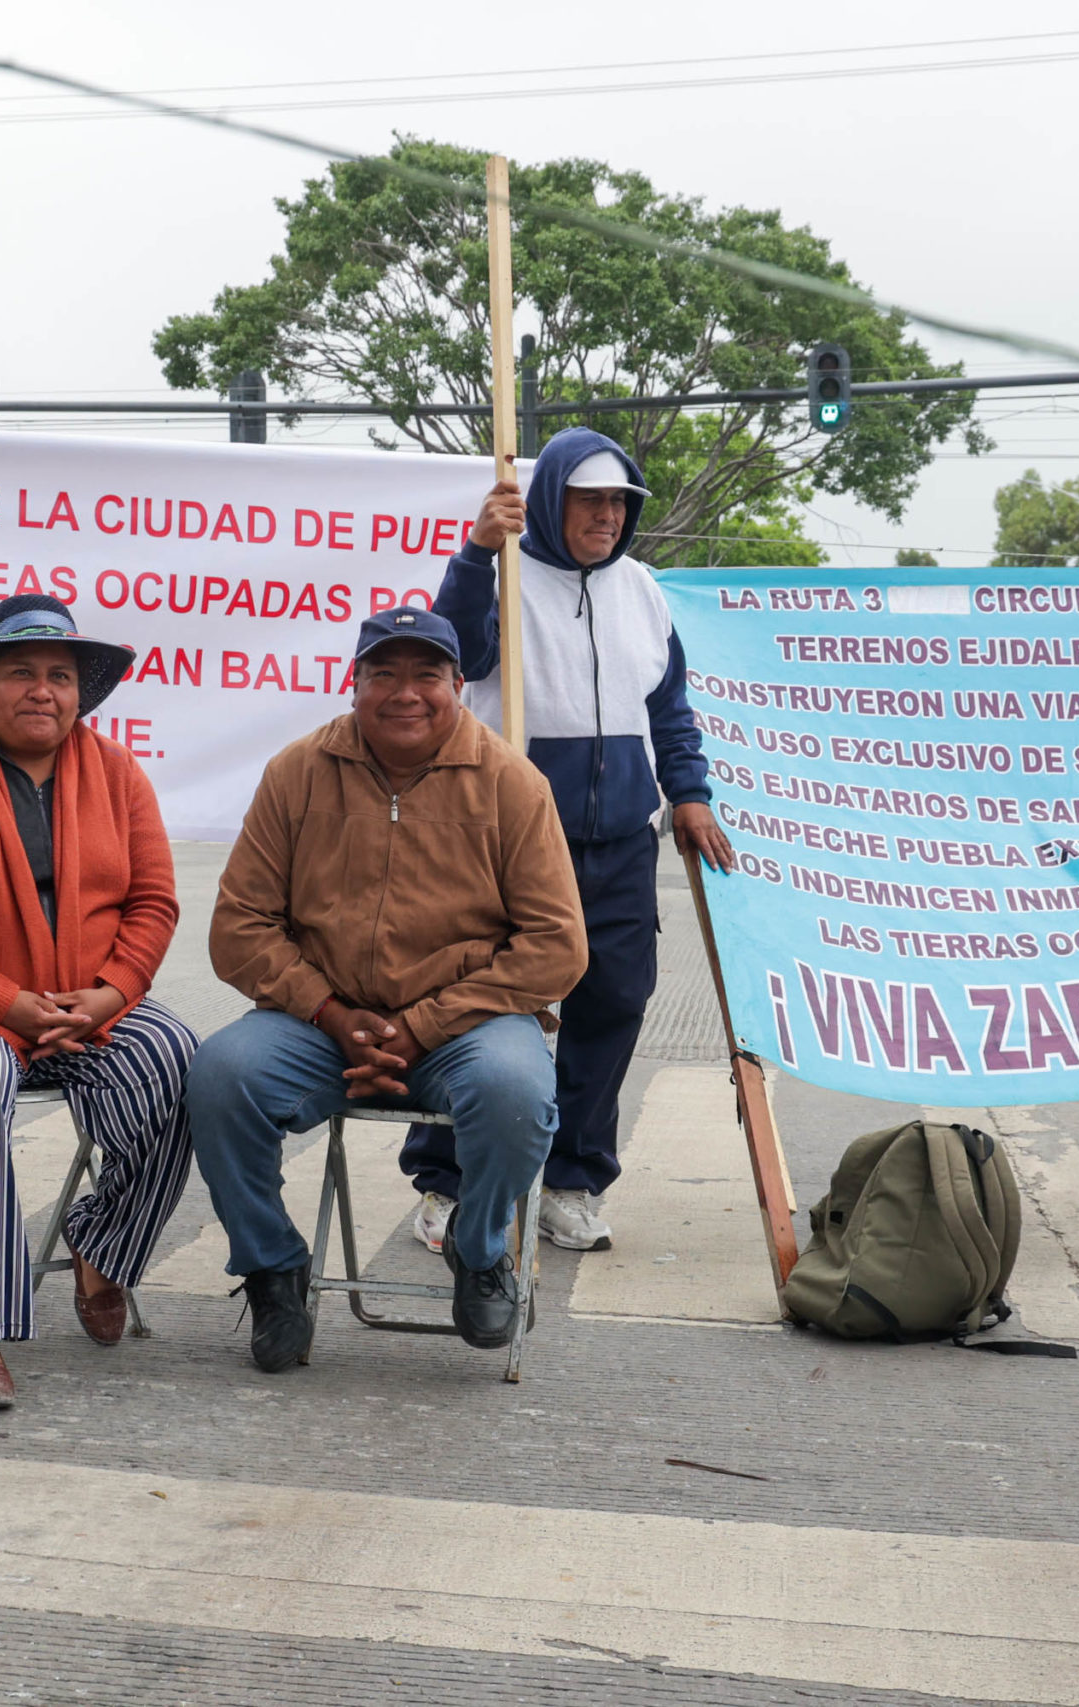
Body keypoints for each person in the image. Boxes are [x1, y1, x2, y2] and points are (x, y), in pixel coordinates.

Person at [190, 607, 587, 1371]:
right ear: (354, 684)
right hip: (320, 1018)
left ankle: (477, 1249)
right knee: (220, 1074)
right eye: (384, 674)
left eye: (426, 675)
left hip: (465, 1025)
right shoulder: (296, 771)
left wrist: (424, 1025)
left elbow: (557, 948)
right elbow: (238, 927)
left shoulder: (511, 782)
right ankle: (273, 1268)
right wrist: (332, 1012)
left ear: (458, 686)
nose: (406, 692)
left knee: (514, 1087)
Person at [0, 593, 195, 1411]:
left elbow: (154, 902)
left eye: (59, 674)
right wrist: (7, 1002)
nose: (42, 689)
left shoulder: (118, 772)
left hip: (87, 1002)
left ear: (81, 690)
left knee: (182, 1059)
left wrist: (112, 992)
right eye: (20, 672)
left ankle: (102, 1247)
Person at [414, 425, 733, 1255]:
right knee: (484, 1008)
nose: (606, 516)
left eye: (619, 502)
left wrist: (690, 793)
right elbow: (454, 655)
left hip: (621, 839)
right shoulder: (504, 576)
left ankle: (571, 1178)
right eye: (588, 499)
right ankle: (450, 1184)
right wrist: (477, 555)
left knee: (613, 1002)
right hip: (505, 838)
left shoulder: (644, 590)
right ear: (551, 501)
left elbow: (668, 709)